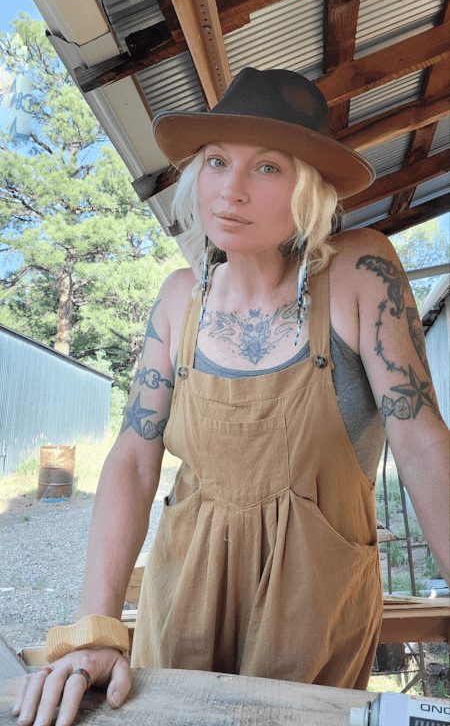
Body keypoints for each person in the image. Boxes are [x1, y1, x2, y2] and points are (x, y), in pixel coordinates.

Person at [13, 68, 449, 725]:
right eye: (217, 161)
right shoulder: (177, 301)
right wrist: (96, 629)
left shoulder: (360, 273)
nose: (231, 189)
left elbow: (420, 445)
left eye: (267, 168)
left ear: (310, 190)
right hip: (184, 598)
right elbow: (133, 459)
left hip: (315, 610)